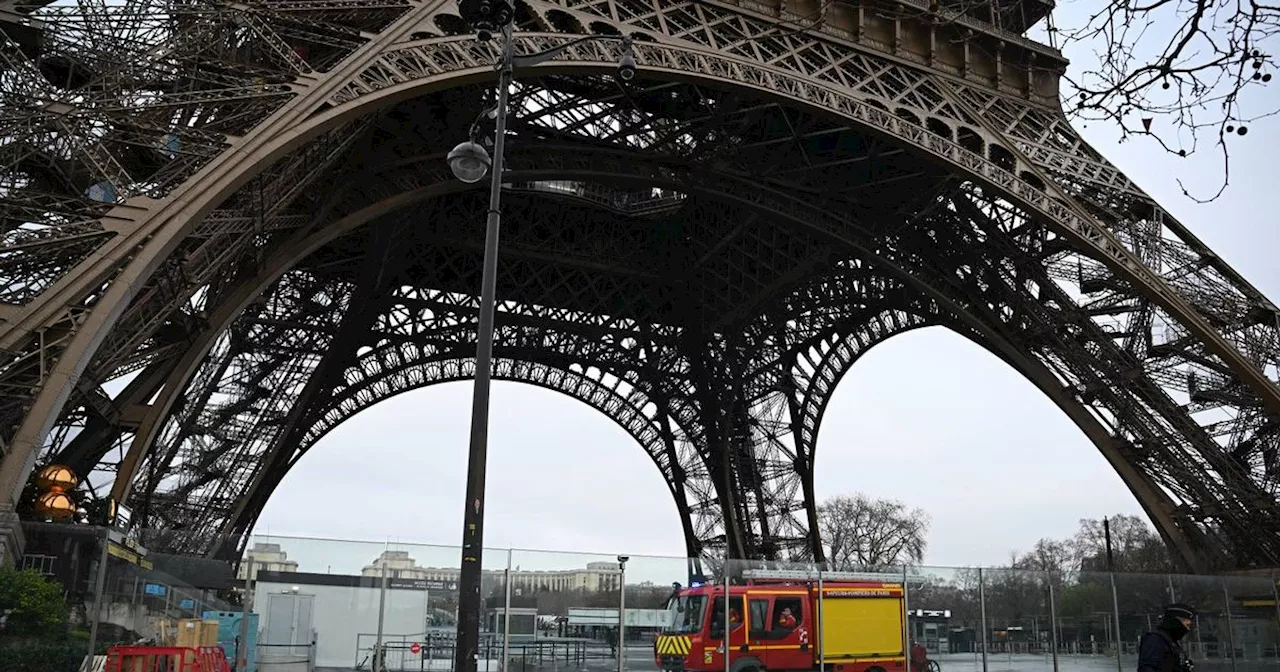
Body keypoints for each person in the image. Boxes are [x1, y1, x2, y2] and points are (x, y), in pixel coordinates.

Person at [1138, 604, 1196, 672]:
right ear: (1176, 622)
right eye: (1187, 625)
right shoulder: (1156, 640)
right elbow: (1148, 668)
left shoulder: (1172, 643)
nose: (1187, 629)